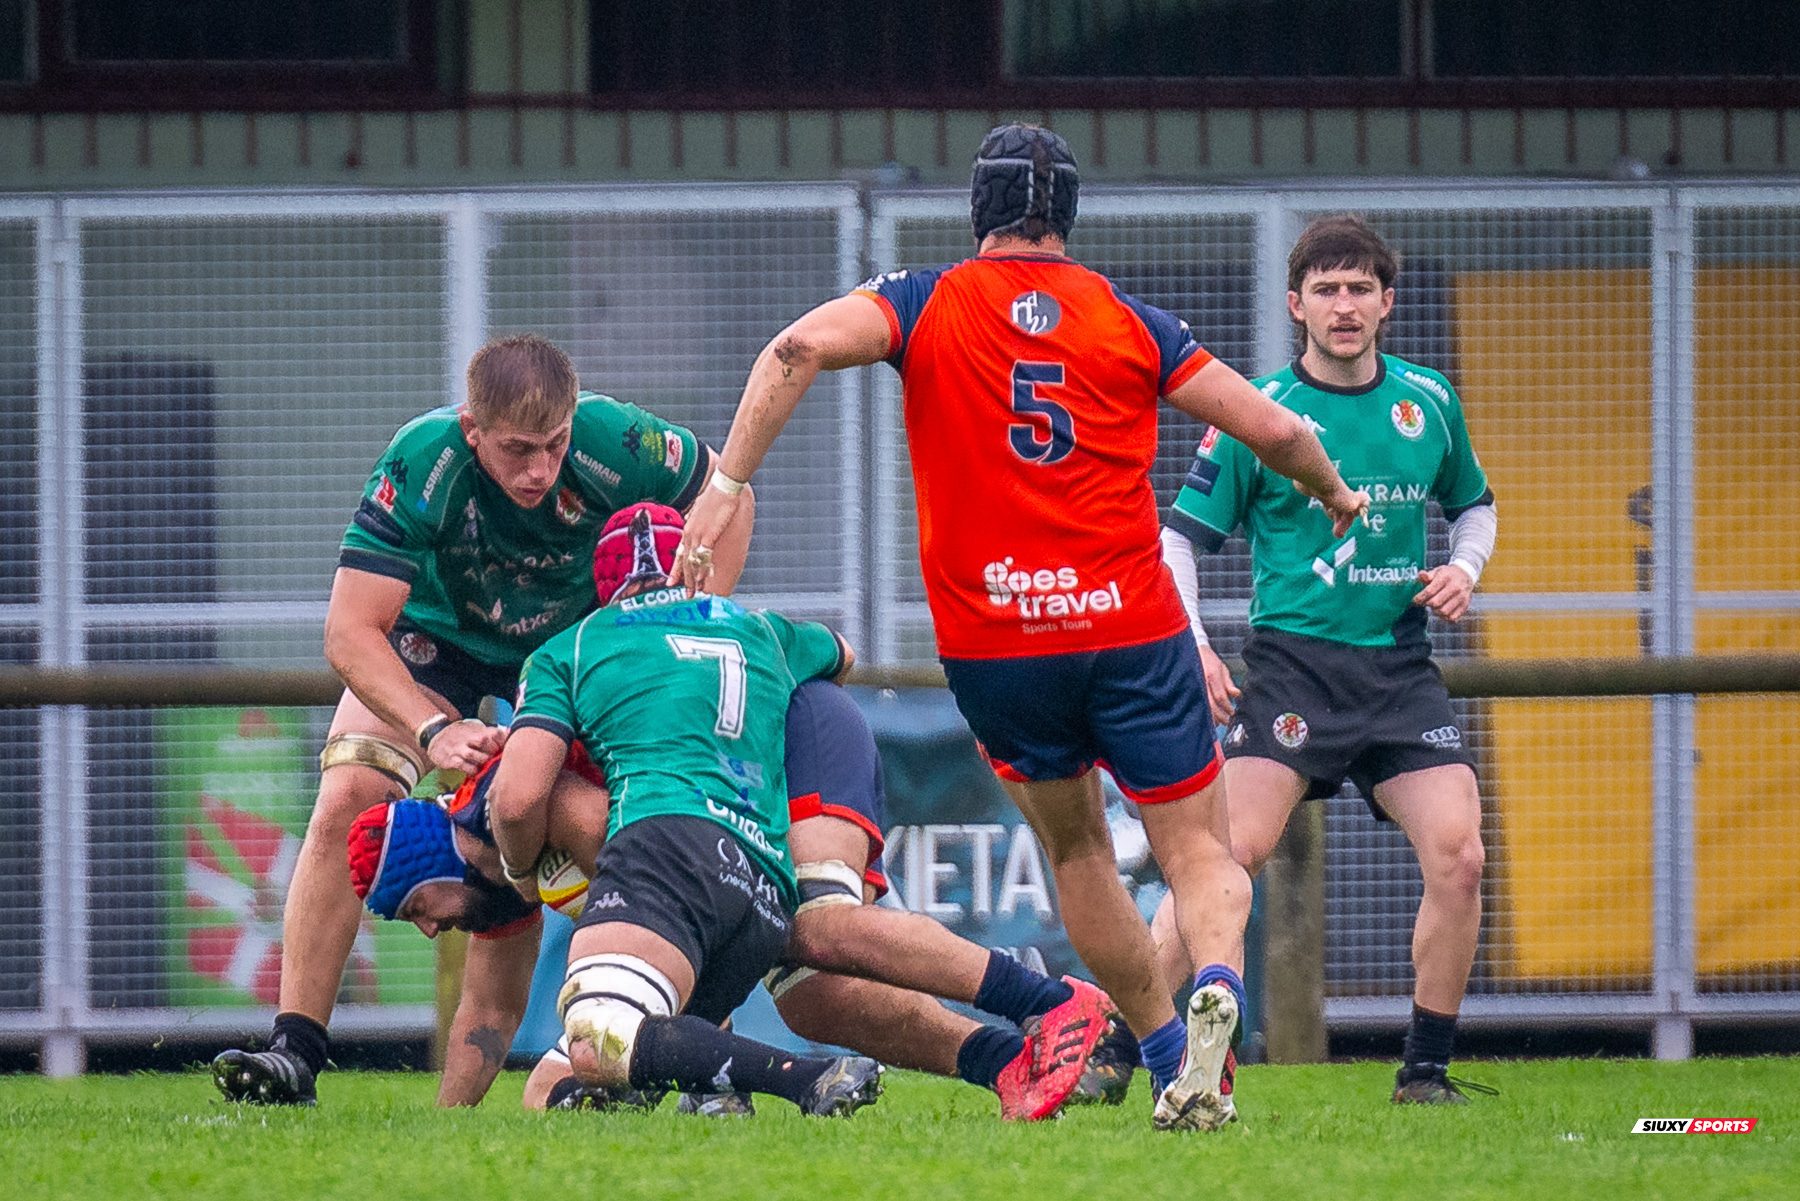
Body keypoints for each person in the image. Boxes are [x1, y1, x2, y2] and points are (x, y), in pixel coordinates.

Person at [669, 124, 1366, 1131]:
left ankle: (1173, 1053)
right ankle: (1218, 982)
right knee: (1203, 857)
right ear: (1068, 219)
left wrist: (727, 483)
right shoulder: (1134, 321)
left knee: (1079, 852)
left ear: (979, 214)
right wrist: (1333, 491)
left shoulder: (921, 301)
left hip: (999, 642)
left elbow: (799, 346)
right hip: (1129, 626)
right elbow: (1277, 429)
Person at [211, 334, 755, 1107]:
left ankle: (708, 1066)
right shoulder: (422, 458)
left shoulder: (620, 439)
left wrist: (686, 627)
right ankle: (294, 1052)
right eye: (516, 450)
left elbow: (731, 501)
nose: (539, 468)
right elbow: (347, 631)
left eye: (554, 446)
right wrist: (434, 732)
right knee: (349, 787)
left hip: (570, 653)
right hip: (439, 643)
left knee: (653, 824)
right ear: (473, 430)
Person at [1155, 214, 1498, 1106]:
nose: (1343, 306)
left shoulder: (1429, 403)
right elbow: (1177, 542)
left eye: (1360, 289)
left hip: (1397, 670)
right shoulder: (1257, 412)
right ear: (1294, 302)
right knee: (1224, 856)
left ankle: (1423, 1072)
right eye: (1326, 289)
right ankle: (1128, 1044)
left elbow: (1476, 507)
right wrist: (1193, 643)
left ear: (1388, 302)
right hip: (1292, 671)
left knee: (1460, 857)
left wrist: (1464, 569)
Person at [474, 501, 897, 1118]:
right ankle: (713, 1090)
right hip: (765, 885)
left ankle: (805, 1077)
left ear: (602, 587)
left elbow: (516, 802)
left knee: (596, 1034)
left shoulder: (577, 644)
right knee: (584, 1071)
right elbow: (843, 653)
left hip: (669, 852)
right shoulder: (758, 629)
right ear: (694, 566)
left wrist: (522, 874)